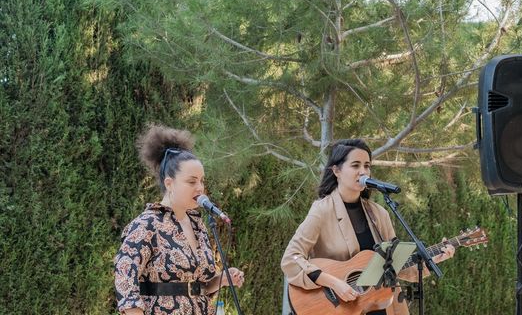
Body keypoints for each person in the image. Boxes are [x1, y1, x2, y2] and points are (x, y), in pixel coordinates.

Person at [281, 139, 455, 315]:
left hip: (381, 307)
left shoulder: (379, 214)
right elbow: (291, 258)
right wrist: (333, 282)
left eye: (367, 166)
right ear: (336, 171)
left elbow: (394, 266)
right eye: (355, 165)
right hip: (339, 307)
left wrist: (431, 259)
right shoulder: (322, 211)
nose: (363, 171)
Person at [114, 124, 244, 315]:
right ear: (170, 183)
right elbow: (124, 279)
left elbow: (197, 286)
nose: (200, 188)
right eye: (192, 181)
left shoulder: (197, 225)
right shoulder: (147, 225)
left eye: (202, 181)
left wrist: (221, 279)